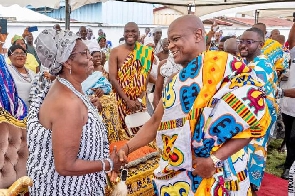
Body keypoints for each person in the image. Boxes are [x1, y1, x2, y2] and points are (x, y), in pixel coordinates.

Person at [118, 15, 271, 195]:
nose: (170, 46)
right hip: (178, 175)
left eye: (175, 39)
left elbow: (254, 118)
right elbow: (154, 122)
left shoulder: (226, 66)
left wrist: (214, 159)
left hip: (219, 172)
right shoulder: (176, 81)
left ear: (198, 35)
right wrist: (126, 148)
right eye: (169, 41)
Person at [27, 29, 123, 195]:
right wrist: (108, 164)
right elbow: (65, 166)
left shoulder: (68, 89)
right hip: (66, 189)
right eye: (85, 53)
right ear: (67, 62)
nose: (90, 57)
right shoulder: (68, 104)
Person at [238, 27, 278, 192]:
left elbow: (250, 98)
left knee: (251, 160)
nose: (243, 45)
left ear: (260, 44)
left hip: (255, 122)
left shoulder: (260, 67)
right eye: (242, 41)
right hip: (254, 121)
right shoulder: (252, 62)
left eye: (249, 42)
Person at [109, 22, 153, 139]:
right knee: (123, 135)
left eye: (133, 31)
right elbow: (112, 78)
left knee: (141, 134)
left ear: (138, 34)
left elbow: (146, 77)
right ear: (123, 33)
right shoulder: (115, 52)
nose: (130, 34)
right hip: (120, 100)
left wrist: (138, 99)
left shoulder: (146, 52)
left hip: (139, 100)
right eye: (127, 31)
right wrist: (127, 100)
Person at [0, 52, 27, 120]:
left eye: (23, 54)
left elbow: (11, 93)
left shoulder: (2, 64)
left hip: (13, 113)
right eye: (16, 53)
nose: (20, 56)